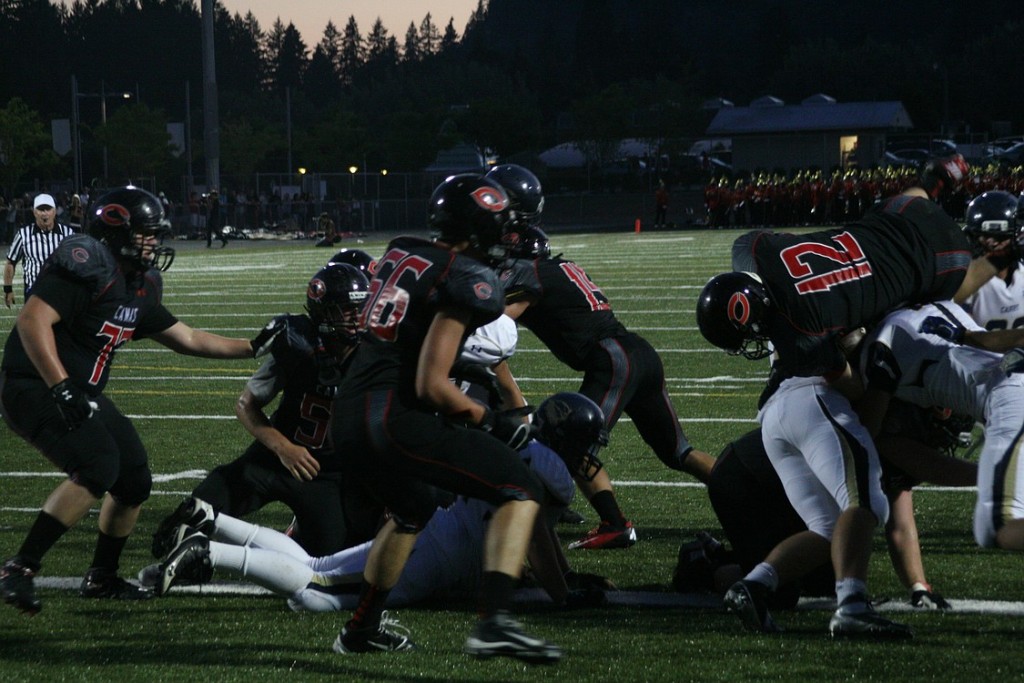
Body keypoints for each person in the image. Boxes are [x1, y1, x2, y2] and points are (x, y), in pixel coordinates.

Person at [0, 186, 287, 616]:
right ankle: (19, 569)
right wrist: (60, 385)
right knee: (97, 465)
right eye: (146, 233)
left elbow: (187, 338)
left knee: (134, 480)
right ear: (116, 230)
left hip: (79, 391)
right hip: (32, 384)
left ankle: (102, 577)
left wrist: (254, 345)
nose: (154, 241)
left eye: (156, 233)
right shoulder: (88, 265)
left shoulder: (138, 285)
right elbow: (32, 320)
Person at [326, 173, 561, 662]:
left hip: (347, 414)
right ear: (477, 231)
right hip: (392, 416)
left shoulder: (402, 250)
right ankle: (494, 623)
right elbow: (431, 386)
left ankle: (361, 628)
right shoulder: (466, 279)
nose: (507, 237)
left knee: (412, 508)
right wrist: (490, 418)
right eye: (499, 227)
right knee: (520, 488)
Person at [152, 393, 616, 612]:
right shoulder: (547, 469)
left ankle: (210, 519)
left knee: (320, 564)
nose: (589, 456)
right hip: (437, 557)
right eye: (585, 445)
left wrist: (568, 580)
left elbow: (541, 531)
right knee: (314, 596)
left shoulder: (532, 455)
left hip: (438, 534)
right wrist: (563, 596)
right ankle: (209, 551)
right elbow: (534, 532)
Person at [489, 163, 715, 550]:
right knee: (680, 452)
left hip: (613, 360)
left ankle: (611, 523)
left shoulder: (529, 273)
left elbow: (490, 329)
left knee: (567, 439)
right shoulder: (555, 267)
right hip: (638, 353)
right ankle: (753, 489)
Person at [695, 154, 995, 384]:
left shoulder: (803, 338)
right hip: (902, 212)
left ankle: (1000, 255)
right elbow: (757, 248)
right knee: (904, 205)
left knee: (935, 302)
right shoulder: (752, 249)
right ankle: (935, 180)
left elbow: (851, 385)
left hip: (944, 260)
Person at [150, 262, 381, 560]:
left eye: (359, 308)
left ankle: (289, 535)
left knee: (325, 558)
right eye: (346, 309)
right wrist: (284, 447)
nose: (356, 317)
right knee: (192, 515)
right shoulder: (299, 346)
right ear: (323, 311)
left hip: (324, 474)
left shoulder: (374, 356)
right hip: (270, 459)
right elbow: (247, 404)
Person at [860, 301, 1024, 551]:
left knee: (995, 526)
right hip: (1009, 380)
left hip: (1010, 392)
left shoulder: (885, 342)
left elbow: (866, 435)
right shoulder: (942, 305)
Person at [958, 190, 1024, 331]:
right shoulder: (964, 281)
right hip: (981, 353)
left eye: (999, 237)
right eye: (984, 235)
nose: (991, 243)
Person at [4, 193, 75, 308]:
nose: (44, 213)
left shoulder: (68, 234)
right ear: (34, 212)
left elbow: (76, 264)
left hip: (61, 292)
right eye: (40, 209)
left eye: (48, 209)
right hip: (34, 292)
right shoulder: (24, 234)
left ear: (55, 211)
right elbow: (11, 262)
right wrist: (8, 289)